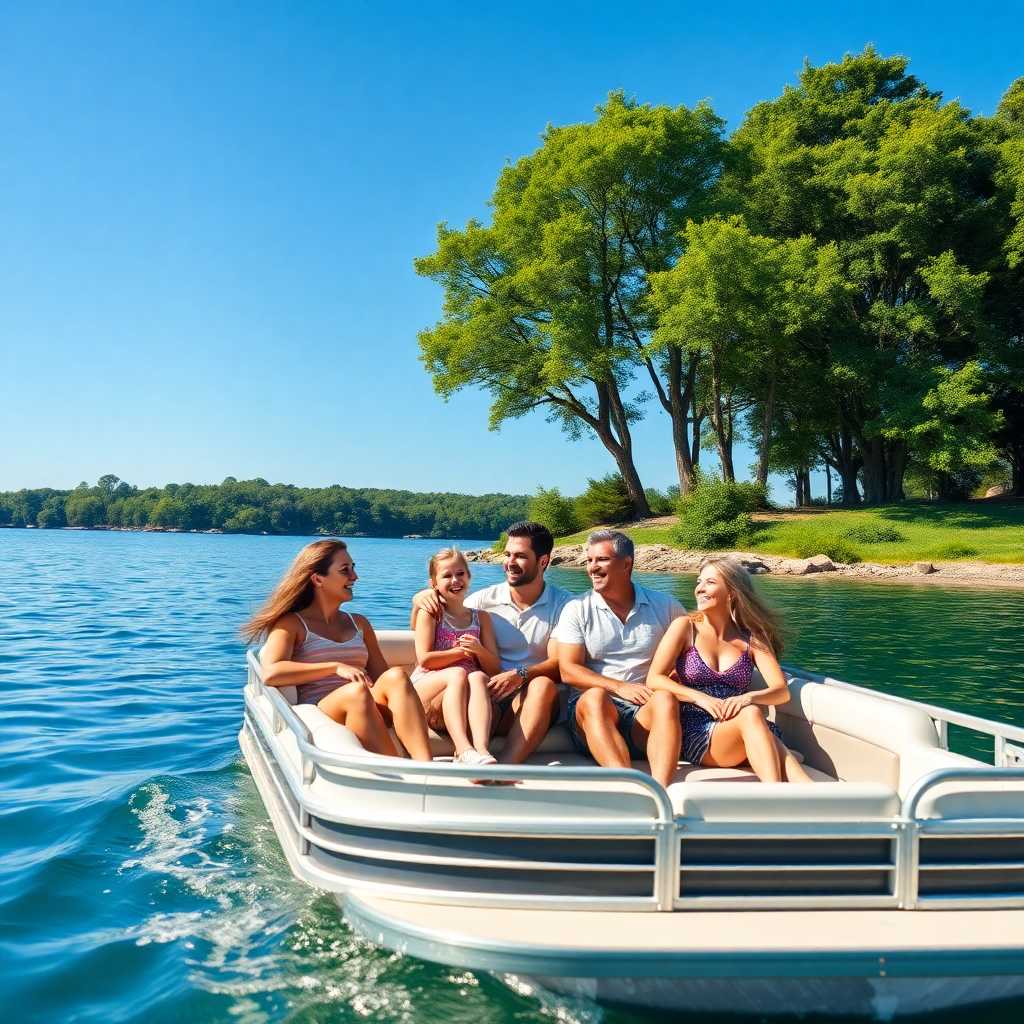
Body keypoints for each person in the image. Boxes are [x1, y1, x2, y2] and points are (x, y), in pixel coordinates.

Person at [242, 539, 432, 761]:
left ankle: (426, 765)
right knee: (357, 693)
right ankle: (398, 771)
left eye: (353, 568)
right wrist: (335, 667)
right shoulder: (291, 624)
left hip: (368, 704)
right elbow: (272, 673)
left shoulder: (359, 623)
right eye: (345, 570)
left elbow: (382, 678)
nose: (354, 577)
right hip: (325, 707)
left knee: (397, 676)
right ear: (318, 579)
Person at [412, 521, 570, 764]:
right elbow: (447, 607)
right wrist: (421, 596)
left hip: (524, 700)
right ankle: (471, 753)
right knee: (472, 682)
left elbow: (561, 662)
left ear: (543, 561)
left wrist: (520, 674)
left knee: (543, 686)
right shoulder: (483, 600)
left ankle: (505, 767)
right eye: (507, 554)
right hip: (481, 693)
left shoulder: (565, 605)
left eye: (520, 556)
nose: (509, 562)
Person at [647, 556, 811, 783]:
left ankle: (804, 794)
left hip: (743, 724)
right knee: (755, 719)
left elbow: (781, 691)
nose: (700, 589)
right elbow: (654, 679)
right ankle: (777, 794)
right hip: (698, 731)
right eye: (699, 582)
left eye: (710, 583)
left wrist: (748, 697)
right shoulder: (685, 627)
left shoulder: (753, 637)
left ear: (732, 592)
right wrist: (700, 698)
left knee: (753, 715)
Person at [555, 529, 686, 788]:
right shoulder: (577, 609)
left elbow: (689, 656)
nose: (592, 567)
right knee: (594, 696)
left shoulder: (666, 606)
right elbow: (568, 670)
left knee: (665, 698)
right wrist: (619, 687)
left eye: (601, 560)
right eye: (589, 560)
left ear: (627, 564)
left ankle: (660, 791)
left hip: (645, 715)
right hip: (595, 717)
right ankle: (629, 787)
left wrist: (672, 678)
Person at [411, 548, 502, 766]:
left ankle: (480, 750)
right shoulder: (431, 613)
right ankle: (462, 750)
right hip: (429, 687)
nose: (455, 580)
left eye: (460, 574)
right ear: (433, 583)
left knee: (479, 677)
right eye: (446, 576)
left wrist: (479, 650)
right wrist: (460, 652)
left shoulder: (482, 618)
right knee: (458, 673)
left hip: (466, 690)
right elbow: (425, 659)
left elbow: (494, 669)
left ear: (469, 576)